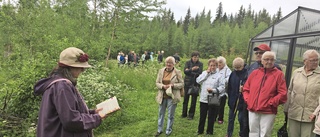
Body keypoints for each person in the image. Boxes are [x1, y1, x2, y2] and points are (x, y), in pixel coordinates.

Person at [34, 47, 106, 137]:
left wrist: (93, 113)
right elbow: (71, 121)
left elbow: (67, 113)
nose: (82, 70)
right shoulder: (62, 86)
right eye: (80, 67)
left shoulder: (57, 83)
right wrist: (97, 118)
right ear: (69, 68)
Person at [242, 51, 287, 137]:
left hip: (268, 111)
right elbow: (246, 89)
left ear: (274, 61)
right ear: (262, 61)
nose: (269, 62)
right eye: (266, 59)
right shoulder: (255, 73)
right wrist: (248, 100)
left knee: (265, 133)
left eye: (272, 60)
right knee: (253, 132)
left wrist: (271, 103)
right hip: (253, 109)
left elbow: (283, 93)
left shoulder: (278, 74)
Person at [284, 49, 320, 137]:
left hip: (310, 115)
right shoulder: (297, 72)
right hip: (295, 113)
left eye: (317, 60)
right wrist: (286, 109)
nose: (315, 62)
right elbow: (290, 91)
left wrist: (315, 113)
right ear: (305, 61)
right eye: (312, 60)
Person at [155, 56, 184, 137]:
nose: (168, 64)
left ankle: (168, 130)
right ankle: (159, 130)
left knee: (170, 115)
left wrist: (173, 85)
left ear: (174, 64)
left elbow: (182, 84)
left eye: (170, 63)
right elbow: (157, 83)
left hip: (172, 96)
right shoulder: (161, 71)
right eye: (167, 62)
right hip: (162, 96)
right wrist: (162, 86)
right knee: (161, 114)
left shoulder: (177, 72)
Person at [196, 58, 225, 135]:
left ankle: (209, 131)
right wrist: (206, 73)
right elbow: (198, 81)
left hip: (213, 97)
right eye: (211, 65)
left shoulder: (219, 75)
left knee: (211, 116)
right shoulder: (204, 73)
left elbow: (222, 87)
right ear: (208, 66)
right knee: (202, 116)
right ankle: (200, 130)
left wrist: (213, 90)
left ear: (217, 66)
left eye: (214, 65)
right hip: (204, 98)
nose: (212, 67)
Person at [226, 57, 247, 137]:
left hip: (242, 101)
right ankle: (229, 133)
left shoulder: (246, 73)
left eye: (239, 67)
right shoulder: (233, 74)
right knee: (231, 118)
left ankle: (242, 133)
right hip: (233, 100)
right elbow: (229, 87)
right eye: (235, 68)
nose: (237, 69)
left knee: (241, 119)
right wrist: (230, 98)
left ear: (243, 66)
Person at [181, 51, 203, 120]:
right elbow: (185, 71)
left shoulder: (200, 64)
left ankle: (191, 115)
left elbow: (200, 73)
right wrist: (192, 69)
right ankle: (184, 113)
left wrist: (189, 71)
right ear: (192, 57)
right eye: (194, 57)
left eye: (197, 57)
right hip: (187, 83)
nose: (195, 58)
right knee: (185, 99)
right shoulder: (187, 63)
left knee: (193, 100)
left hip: (195, 84)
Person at [215, 56, 231, 124]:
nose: (219, 64)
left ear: (224, 63)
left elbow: (228, 79)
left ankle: (220, 118)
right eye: (218, 63)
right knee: (214, 104)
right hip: (215, 90)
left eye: (220, 63)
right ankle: (213, 116)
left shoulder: (228, 70)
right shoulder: (216, 69)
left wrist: (222, 81)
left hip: (223, 91)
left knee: (221, 106)